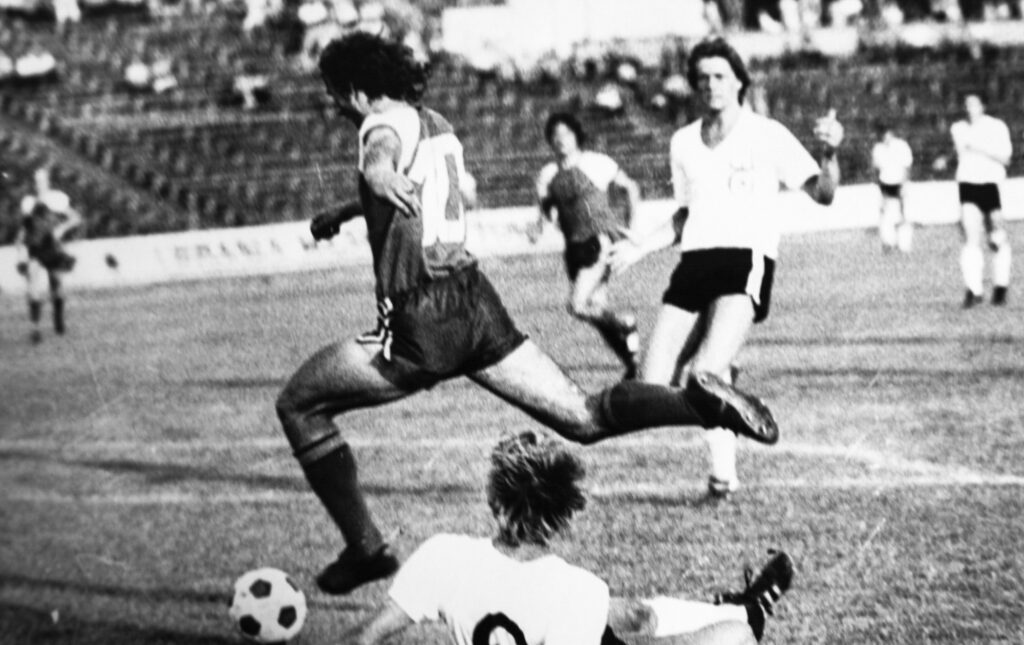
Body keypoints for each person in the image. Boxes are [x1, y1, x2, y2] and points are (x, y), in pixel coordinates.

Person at [275, 32, 780, 597]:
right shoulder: (435, 123)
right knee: (584, 417)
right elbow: (411, 186)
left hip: (422, 318)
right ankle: (700, 403)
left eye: (335, 93)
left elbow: (382, 158)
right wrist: (352, 208)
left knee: (299, 404)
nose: (335, 106)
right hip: (474, 302)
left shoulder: (379, 125)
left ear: (356, 89)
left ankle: (366, 547)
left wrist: (376, 175)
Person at [609, 37, 843, 500]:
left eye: (720, 76)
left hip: (744, 259)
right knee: (650, 388)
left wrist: (831, 152)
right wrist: (641, 247)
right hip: (694, 262)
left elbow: (823, 192)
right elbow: (685, 213)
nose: (711, 85)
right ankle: (730, 397)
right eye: (702, 78)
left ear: (739, 81)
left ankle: (722, 470)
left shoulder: (766, 133)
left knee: (705, 378)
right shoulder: (682, 142)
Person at [340, 432, 796, 645]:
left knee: (632, 614)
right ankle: (742, 613)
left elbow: (362, 638)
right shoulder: (577, 589)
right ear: (565, 516)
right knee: (734, 636)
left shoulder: (442, 555)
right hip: (581, 621)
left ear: (494, 501)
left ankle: (741, 607)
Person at [532, 112, 643, 380]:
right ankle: (632, 365)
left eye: (566, 134)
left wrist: (632, 226)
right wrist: (539, 226)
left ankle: (625, 323)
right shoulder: (547, 174)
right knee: (598, 308)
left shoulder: (597, 163)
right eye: (555, 136)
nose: (561, 140)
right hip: (574, 247)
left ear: (577, 136)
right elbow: (547, 211)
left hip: (599, 241)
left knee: (578, 305)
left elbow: (631, 188)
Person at [949, 92, 1013, 308]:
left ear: (983, 106)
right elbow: (959, 154)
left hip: (990, 184)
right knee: (970, 235)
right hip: (968, 185)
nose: (969, 109)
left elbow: (1006, 158)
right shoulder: (958, 128)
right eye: (966, 104)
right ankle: (973, 290)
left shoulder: (996, 127)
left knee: (996, 236)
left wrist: (979, 149)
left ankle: (1001, 286)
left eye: (974, 104)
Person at [16, 165, 82, 344]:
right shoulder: (28, 202)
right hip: (35, 248)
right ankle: (35, 328)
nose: (39, 184)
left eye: (42, 180)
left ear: (47, 181)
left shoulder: (57, 198)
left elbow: (76, 218)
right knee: (33, 285)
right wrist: (19, 242)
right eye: (36, 180)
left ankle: (58, 318)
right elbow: (25, 226)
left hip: (52, 247)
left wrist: (61, 228)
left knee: (56, 286)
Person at [870, 122, 913, 253]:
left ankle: (904, 244)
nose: (885, 137)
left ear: (892, 133)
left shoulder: (902, 146)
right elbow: (876, 168)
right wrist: (879, 186)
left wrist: (904, 184)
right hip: (885, 183)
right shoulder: (878, 148)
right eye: (882, 135)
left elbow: (907, 166)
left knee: (903, 213)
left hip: (899, 182)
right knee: (885, 212)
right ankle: (888, 242)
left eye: (887, 134)